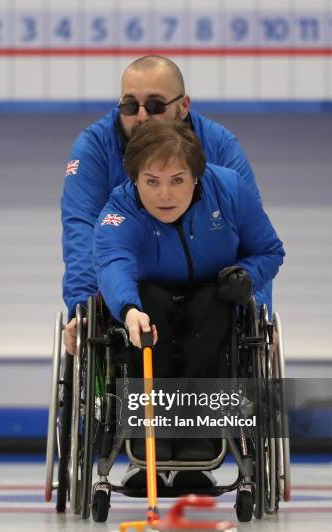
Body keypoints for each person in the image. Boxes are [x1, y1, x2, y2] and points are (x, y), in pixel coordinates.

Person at [94, 120, 285, 488]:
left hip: (213, 291)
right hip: (148, 297)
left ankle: (199, 437)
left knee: (215, 307)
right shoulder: (119, 208)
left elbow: (268, 250)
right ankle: (154, 436)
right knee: (149, 309)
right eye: (151, 181)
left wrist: (246, 276)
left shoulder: (229, 189)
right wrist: (128, 309)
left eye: (177, 180)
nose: (164, 194)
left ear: (197, 176)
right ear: (134, 178)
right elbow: (112, 262)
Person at [62, 54, 268, 355]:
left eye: (155, 105)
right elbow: (82, 229)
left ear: (183, 106)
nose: (142, 116)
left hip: (210, 289)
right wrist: (83, 310)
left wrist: (255, 313)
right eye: (130, 106)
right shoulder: (94, 147)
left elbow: (253, 240)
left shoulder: (220, 145)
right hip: (137, 286)